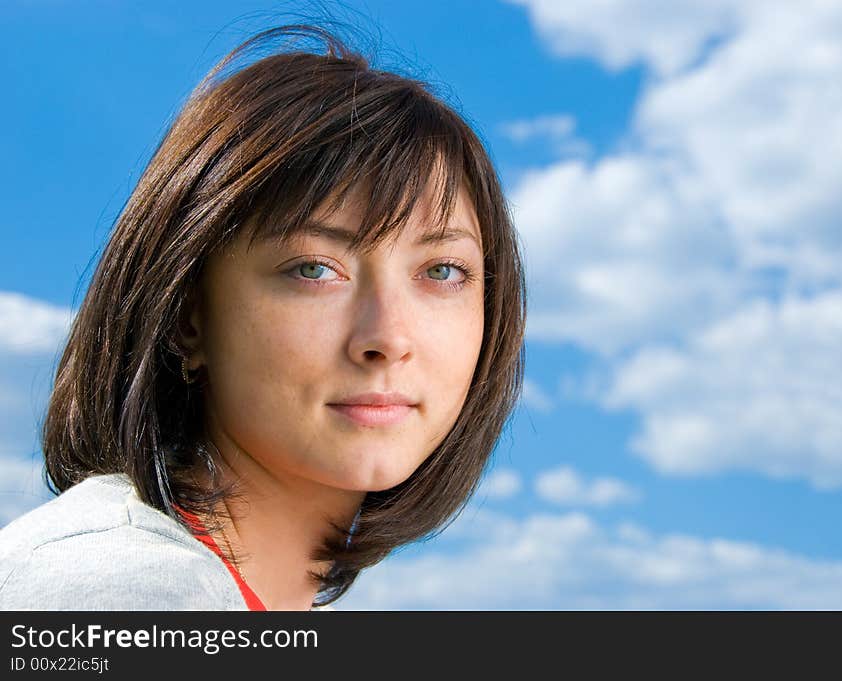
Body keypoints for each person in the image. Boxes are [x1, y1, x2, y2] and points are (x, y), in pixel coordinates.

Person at [0, 23, 525, 611]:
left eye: (442, 271)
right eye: (313, 269)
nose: (388, 338)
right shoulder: (133, 594)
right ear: (186, 316)